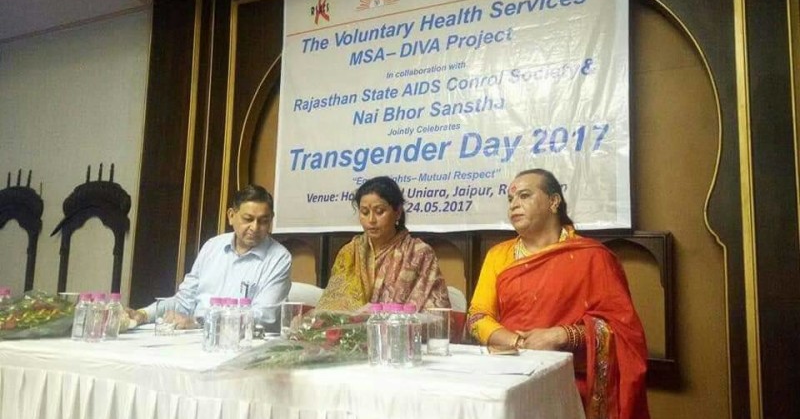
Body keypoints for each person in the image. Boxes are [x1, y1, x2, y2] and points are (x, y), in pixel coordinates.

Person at [467, 169, 650, 419]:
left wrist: (561, 335)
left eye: (524, 196)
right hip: (509, 374)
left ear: (554, 201)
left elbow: (623, 331)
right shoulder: (498, 255)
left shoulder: (592, 257)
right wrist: (518, 343)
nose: (514, 205)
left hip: (572, 382)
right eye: (510, 199)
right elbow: (477, 317)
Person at [127, 184, 291, 331]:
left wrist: (199, 321)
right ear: (231, 216)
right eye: (248, 219)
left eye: (263, 221)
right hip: (192, 336)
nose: (255, 227)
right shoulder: (212, 246)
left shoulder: (279, 258)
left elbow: (264, 317)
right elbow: (184, 302)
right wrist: (144, 314)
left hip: (242, 342)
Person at [316, 176, 450, 311]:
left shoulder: (419, 253)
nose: (371, 220)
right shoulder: (350, 252)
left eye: (379, 211)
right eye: (364, 212)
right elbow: (331, 308)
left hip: (400, 325)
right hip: (352, 325)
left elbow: (436, 312)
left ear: (398, 212)